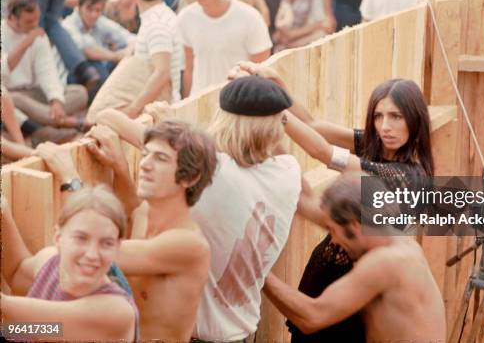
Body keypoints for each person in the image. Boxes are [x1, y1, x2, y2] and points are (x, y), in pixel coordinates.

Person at [231, 62, 434, 342]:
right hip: (328, 281)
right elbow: (314, 126)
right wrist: (279, 89)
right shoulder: (381, 145)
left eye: (396, 117)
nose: (385, 126)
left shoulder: (406, 176)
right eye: (379, 116)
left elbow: (324, 152)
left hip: (348, 297)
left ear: (415, 119)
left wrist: (270, 106)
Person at [94, 76, 303, 343]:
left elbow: (108, 116)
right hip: (243, 331)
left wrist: (173, 127)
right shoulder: (289, 172)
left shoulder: (215, 172)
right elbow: (316, 149)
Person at [37, 119, 216, 342]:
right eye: (145, 154)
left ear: (190, 178)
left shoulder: (189, 245)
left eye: (160, 158)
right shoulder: (143, 215)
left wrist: (70, 177)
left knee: (38, 270)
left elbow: (95, 252)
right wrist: (119, 166)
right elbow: (132, 206)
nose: (145, 165)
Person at [263, 174, 446, 343]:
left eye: (332, 230)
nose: (333, 239)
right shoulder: (387, 237)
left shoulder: (386, 262)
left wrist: (258, 270)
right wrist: (280, 160)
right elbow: (306, 205)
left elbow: (312, 317)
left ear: (355, 226)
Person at [1, 187, 138, 341]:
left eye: (106, 243)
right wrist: (3, 212)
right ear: (58, 237)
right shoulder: (50, 262)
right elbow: (16, 273)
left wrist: (5, 328)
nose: (92, 254)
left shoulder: (117, 313)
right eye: (81, 238)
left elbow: (50, 328)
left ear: (117, 247)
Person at [86, 0, 183, 122]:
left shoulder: (156, 25)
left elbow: (162, 72)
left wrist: (133, 110)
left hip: (160, 111)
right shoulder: (158, 17)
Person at [177, 0, 271, 97]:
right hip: (200, 101)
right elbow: (189, 67)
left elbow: (261, 69)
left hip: (238, 101)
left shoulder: (250, 18)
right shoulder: (186, 18)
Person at [1, 0, 89, 139]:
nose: (35, 24)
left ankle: (52, 121)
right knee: (10, 99)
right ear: (12, 18)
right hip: (10, 94)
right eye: (29, 21)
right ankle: (64, 122)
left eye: (37, 19)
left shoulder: (38, 34)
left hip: (35, 93)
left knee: (80, 92)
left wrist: (56, 101)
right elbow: (3, 71)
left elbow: (47, 71)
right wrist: (26, 43)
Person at [62, 0, 135, 99]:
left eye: (98, 10)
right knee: (98, 67)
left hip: (100, 69)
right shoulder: (68, 25)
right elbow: (87, 50)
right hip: (73, 74)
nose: (94, 15)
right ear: (79, 8)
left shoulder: (99, 21)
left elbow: (129, 37)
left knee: (125, 52)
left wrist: (127, 51)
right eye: (89, 9)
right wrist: (117, 56)